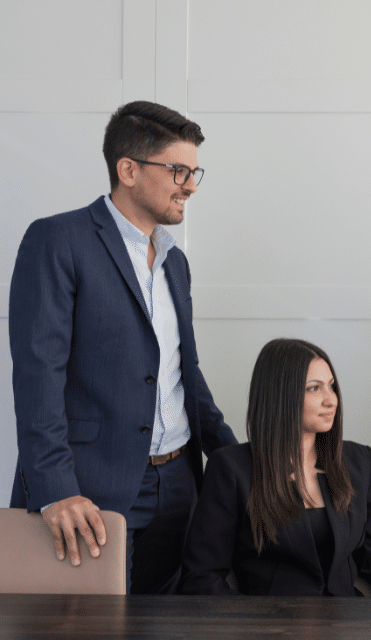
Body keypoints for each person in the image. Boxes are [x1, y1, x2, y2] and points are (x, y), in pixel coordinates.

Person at [8, 101, 237, 593]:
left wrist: (237, 458)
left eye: (195, 171)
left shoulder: (175, 263)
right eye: (178, 169)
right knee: (89, 627)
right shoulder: (58, 240)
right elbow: (37, 374)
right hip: (89, 491)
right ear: (128, 170)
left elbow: (182, 374)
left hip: (179, 485)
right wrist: (54, 490)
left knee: (166, 623)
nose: (191, 184)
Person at [180, 338, 371, 598]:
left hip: (346, 625)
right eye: (314, 388)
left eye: (332, 387)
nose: (331, 400)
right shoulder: (232, 469)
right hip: (271, 629)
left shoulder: (358, 462)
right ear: (280, 395)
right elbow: (202, 578)